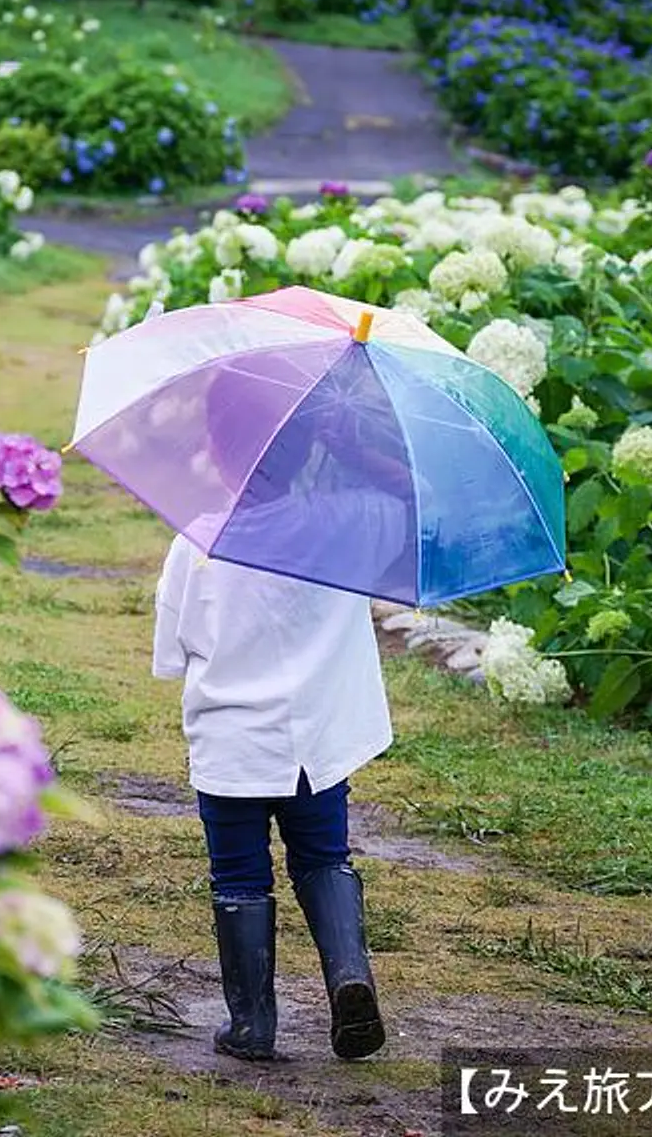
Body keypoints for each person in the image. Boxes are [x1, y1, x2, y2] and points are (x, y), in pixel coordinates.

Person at [150, 359, 410, 1063]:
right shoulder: (352, 520)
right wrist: (353, 448)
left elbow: (172, 653)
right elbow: (415, 503)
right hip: (319, 745)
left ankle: (252, 1024)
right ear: (307, 446)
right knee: (323, 857)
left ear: (218, 443)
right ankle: (349, 977)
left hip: (232, 748)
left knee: (239, 875)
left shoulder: (197, 541)